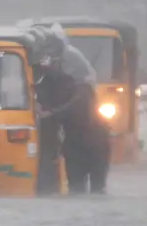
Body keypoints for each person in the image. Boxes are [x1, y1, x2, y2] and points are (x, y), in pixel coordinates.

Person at [34, 29, 109, 195]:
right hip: (73, 144)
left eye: (52, 62)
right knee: (75, 189)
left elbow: (77, 105)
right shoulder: (49, 82)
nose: (49, 66)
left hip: (95, 144)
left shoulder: (81, 85)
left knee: (97, 190)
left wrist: (51, 113)